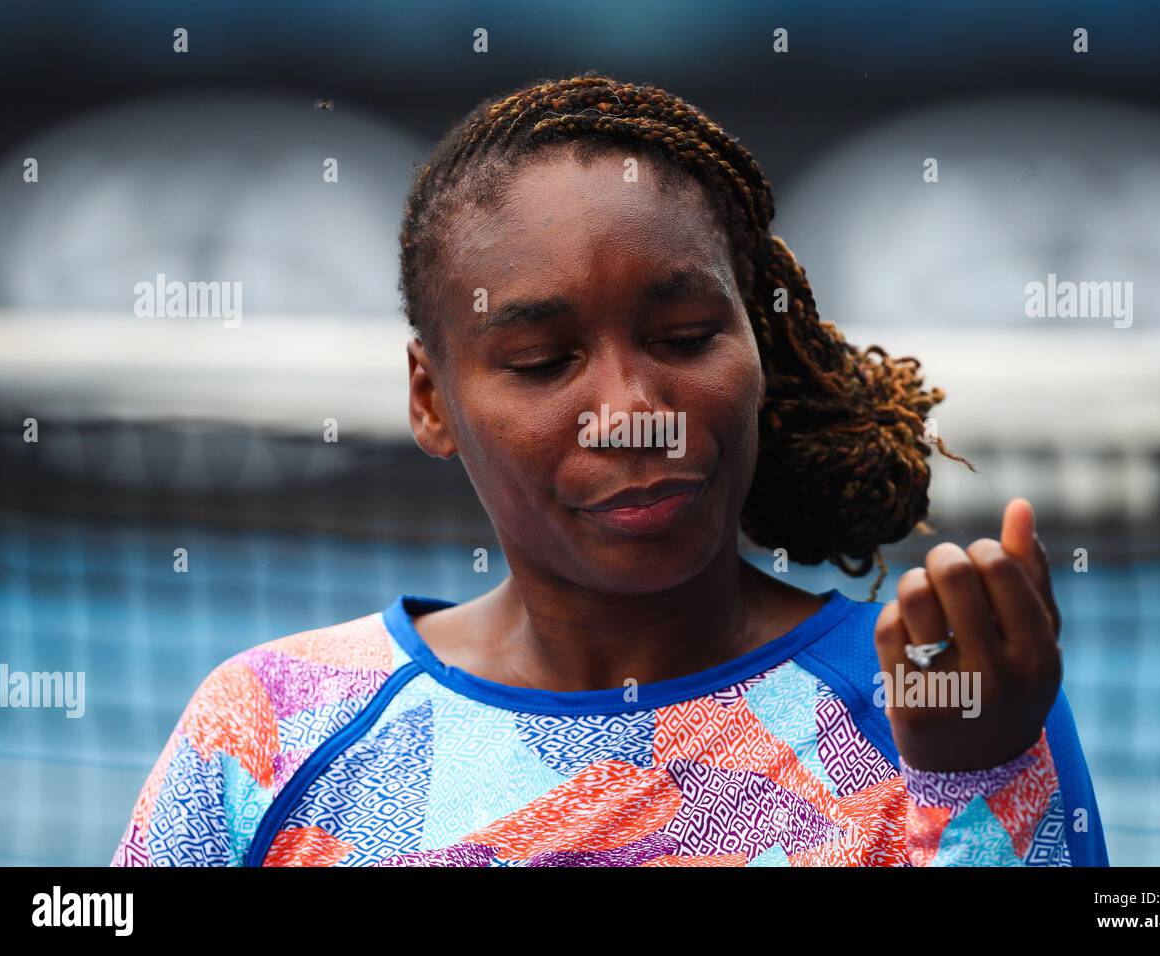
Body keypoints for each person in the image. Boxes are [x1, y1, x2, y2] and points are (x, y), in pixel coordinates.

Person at [111, 72, 1107, 867]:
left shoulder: (943, 702)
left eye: (684, 334)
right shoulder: (268, 727)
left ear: (755, 345)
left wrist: (976, 775)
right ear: (430, 397)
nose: (634, 415)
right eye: (542, 361)